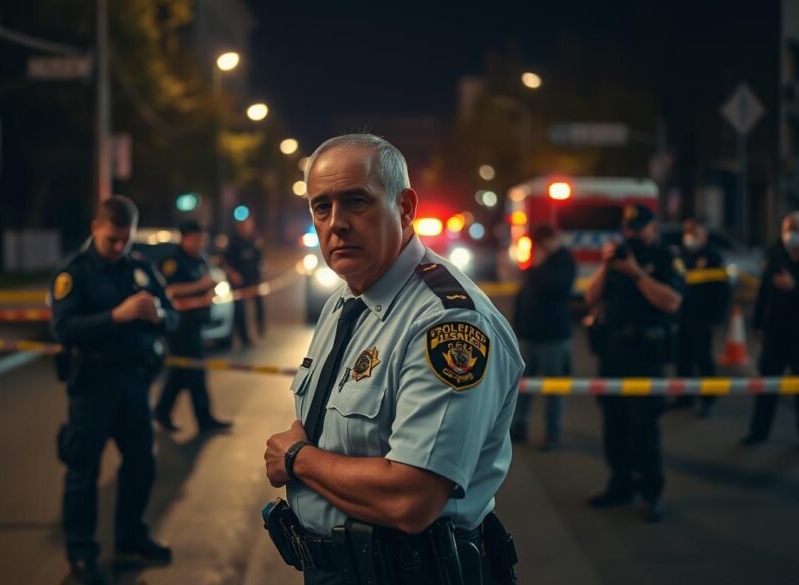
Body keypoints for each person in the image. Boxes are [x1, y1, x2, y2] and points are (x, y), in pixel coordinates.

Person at [262, 134, 523, 585]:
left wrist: (297, 459)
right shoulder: (345, 300)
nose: (336, 223)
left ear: (404, 209)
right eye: (321, 207)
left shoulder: (449, 324)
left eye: (356, 202)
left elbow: (412, 499)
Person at [50, 196, 177, 585]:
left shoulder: (139, 268)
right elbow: (63, 328)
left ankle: (130, 536)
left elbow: (172, 317)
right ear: (95, 229)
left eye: (126, 239)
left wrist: (159, 315)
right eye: (112, 240)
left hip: (135, 383)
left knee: (142, 464)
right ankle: (81, 553)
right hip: (91, 386)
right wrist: (115, 316)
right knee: (83, 472)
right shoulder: (74, 272)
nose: (119, 247)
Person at [584, 204, 684, 523]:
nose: (632, 234)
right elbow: (590, 297)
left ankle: (651, 492)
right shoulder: (617, 260)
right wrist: (606, 265)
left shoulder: (666, 257)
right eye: (628, 228)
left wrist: (637, 273)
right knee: (614, 424)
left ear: (653, 227)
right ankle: (620, 485)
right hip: (614, 351)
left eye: (638, 228)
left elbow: (672, 302)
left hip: (646, 353)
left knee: (644, 427)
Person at [743, 211, 799, 451]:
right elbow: (764, 295)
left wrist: (795, 288)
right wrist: (758, 324)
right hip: (775, 333)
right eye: (787, 229)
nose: (790, 235)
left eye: (795, 229)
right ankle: (758, 432)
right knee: (767, 385)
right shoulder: (777, 259)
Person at [153, 220, 232, 433]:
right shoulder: (173, 262)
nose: (200, 243)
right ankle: (204, 420)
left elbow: (206, 283)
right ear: (185, 238)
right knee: (196, 372)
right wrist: (200, 286)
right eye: (196, 239)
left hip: (196, 324)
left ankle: (161, 412)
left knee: (179, 373)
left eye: (203, 239)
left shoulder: (199, 259)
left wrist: (209, 292)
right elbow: (168, 290)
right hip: (180, 327)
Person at [510, 224, 576, 449]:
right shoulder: (538, 263)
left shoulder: (564, 261)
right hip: (529, 333)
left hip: (553, 337)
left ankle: (552, 432)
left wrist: (536, 266)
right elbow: (524, 294)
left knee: (552, 388)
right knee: (523, 386)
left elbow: (555, 287)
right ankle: (518, 426)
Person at [670, 218, 729, 417]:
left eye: (695, 233)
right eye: (687, 232)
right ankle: (685, 397)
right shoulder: (680, 257)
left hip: (702, 318)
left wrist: (716, 318)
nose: (690, 236)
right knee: (682, 359)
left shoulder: (713, 258)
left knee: (703, 360)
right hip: (682, 317)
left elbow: (722, 292)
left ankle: (708, 400)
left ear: (704, 235)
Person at [223, 217, 266, 346]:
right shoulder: (234, 242)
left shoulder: (254, 240)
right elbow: (225, 261)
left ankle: (261, 326)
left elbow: (260, 259)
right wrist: (233, 274)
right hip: (239, 283)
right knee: (239, 311)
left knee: (259, 304)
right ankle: (242, 338)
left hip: (253, 279)